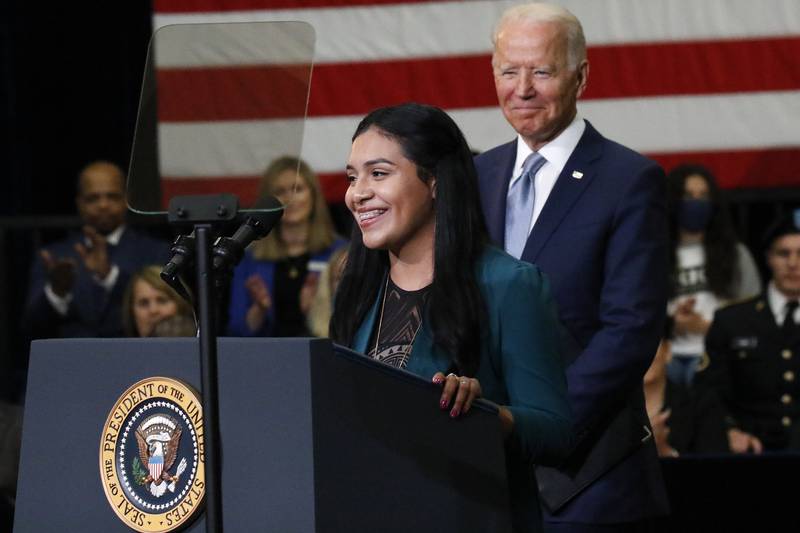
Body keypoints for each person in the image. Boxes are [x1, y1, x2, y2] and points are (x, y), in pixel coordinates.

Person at [330, 102, 572, 533]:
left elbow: (556, 433)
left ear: (436, 182)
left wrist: (483, 415)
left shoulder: (509, 285)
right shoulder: (359, 287)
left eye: (378, 173)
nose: (356, 193)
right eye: (352, 177)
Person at [473, 3, 669, 530]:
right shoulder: (473, 176)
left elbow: (629, 332)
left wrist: (538, 425)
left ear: (581, 75)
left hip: (588, 482)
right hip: (483, 477)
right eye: (509, 71)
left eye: (541, 70)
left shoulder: (630, 180)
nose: (523, 88)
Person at [23, 161, 167, 339]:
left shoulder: (155, 252)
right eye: (93, 198)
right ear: (79, 203)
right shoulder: (54, 256)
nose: (103, 205)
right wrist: (56, 292)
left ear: (126, 199)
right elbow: (30, 326)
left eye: (112, 196)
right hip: (69, 360)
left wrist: (109, 275)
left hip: (137, 358)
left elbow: (165, 318)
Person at [695, 215, 800, 453]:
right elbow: (709, 390)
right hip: (750, 452)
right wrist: (728, 430)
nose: (793, 263)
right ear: (769, 258)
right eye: (783, 254)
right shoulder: (732, 320)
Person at [226, 156, 347, 337]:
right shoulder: (249, 259)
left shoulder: (341, 254)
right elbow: (236, 331)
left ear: (313, 195)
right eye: (280, 191)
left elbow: (353, 325)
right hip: (267, 358)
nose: (289, 198)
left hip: (325, 357)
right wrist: (259, 309)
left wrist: (317, 310)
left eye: (297, 189)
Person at [665, 164, 762, 386]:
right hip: (665, 359)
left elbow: (754, 314)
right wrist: (672, 324)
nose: (696, 203)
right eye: (688, 195)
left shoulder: (736, 254)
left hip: (717, 356)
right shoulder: (651, 255)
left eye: (703, 196)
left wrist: (711, 327)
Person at [645, 322, 729, 457]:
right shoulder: (609, 407)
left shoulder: (701, 406)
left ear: (667, 351)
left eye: (651, 343)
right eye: (632, 345)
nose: (643, 354)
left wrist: (665, 451)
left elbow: (717, 473)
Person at [121, 265, 195, 337]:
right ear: (131, 312)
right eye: (144, 303)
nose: (153, 310)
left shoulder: (203, 347)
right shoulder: (117, 349)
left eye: (162, 301)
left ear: (181, 304)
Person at [306, 246, 347, 338]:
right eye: (339, 278)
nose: (347, 285)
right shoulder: (310, 337)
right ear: (328, 284)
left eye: (354, 278)